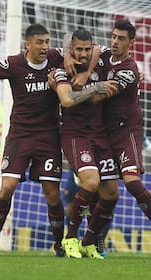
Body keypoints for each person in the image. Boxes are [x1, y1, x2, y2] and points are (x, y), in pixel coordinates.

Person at [0, 23, 69, 257]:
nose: (45, 46)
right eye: (40, 42)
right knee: (7, 187)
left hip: (48, 138)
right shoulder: (13, 63)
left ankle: (59, 244)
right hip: (20, 136)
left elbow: (84, 56)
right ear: (28, 44)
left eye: (47, 41)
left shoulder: (58, 57)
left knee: (53, 194)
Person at [51, 28, 119, 260]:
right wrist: (95, 88)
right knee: (91, 183)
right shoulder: (62, 69)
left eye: (86, 50)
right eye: (78, 49)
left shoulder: (99, 62)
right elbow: (67, 100)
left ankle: (90, 241)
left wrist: (90, 72)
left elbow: (103, 49)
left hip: (100, 135)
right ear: (71, 49)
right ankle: (70, 238)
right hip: (75, 135)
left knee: (111, 193)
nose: (82, 54)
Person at [99, 19, 151, 259]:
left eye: (121, 38)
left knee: (131, 181)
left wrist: (74, 92)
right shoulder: (101, 54)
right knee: (106, 190)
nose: (115, 41)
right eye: (114, 36)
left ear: (131, 43)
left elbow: (105, 93)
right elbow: (75, 49)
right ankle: (97, 242)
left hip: (127, 131)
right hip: (104, 133)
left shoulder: (130, 68)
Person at [62, 132, 151, 258]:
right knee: (73, 202)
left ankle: (96, 242)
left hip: (108, 146)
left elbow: (124, 117)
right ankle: (69, 239)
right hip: (83, 145)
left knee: (106, 198)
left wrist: (145, 141)